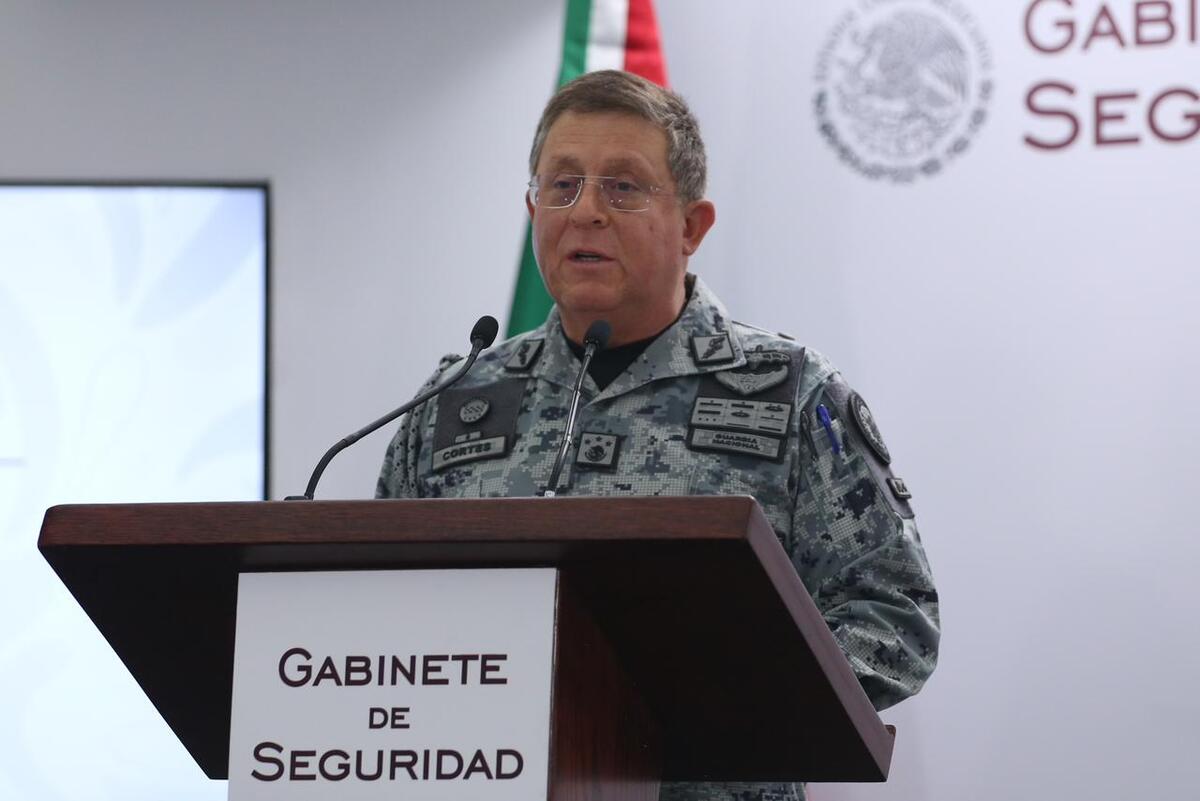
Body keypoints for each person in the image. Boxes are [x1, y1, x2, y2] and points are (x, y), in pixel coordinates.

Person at [377, 69, 939, 801]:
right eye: (562, 185)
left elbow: (894, 616)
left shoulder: (791, 392)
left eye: (623, 187)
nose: (585, 212)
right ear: (532, 208)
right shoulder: (458, 396)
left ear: (691, 226)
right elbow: (380, 608)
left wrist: (704, 693)